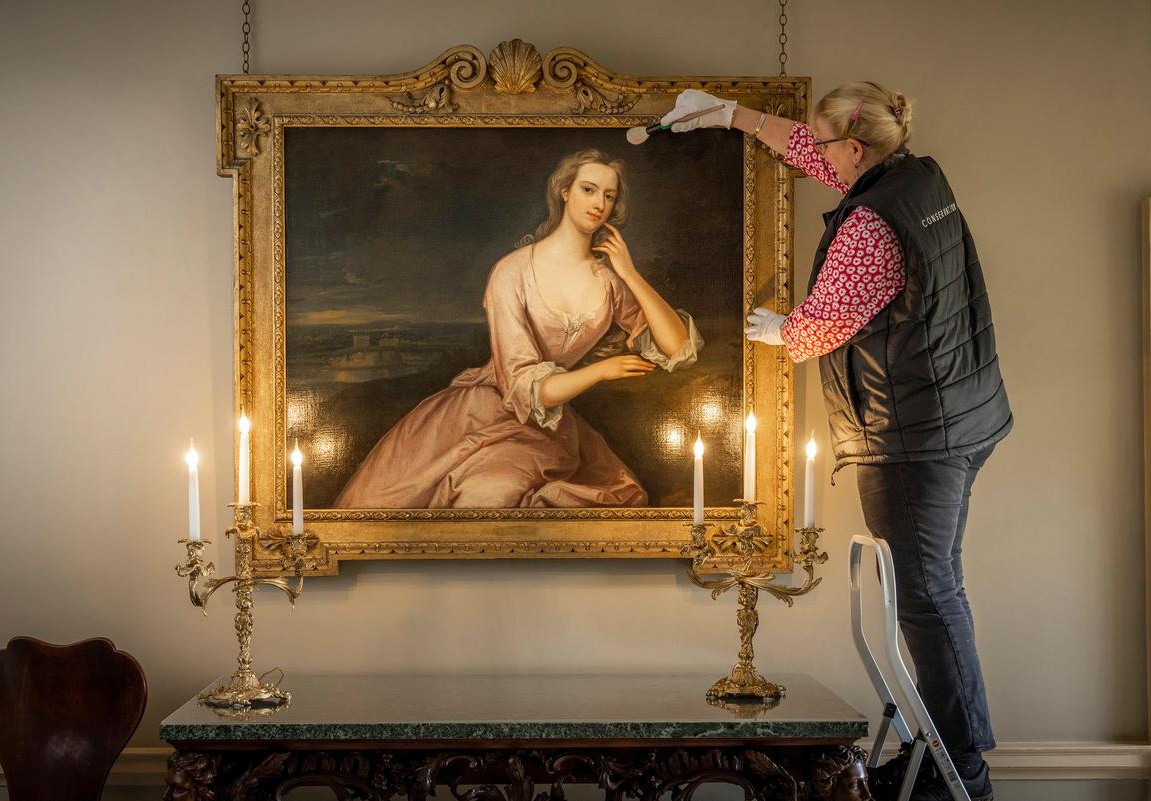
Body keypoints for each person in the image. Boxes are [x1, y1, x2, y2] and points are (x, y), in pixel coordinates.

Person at [663, 84, 1012, 801]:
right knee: (939, 587)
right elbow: (812, 152)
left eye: (826, 146)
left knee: (924, 596)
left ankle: (960, 772)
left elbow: (818, 328)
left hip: (913, 438)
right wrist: (732, 115)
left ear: (854, 147)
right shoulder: (915, 177)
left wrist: (777, 330)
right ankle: (949, 756)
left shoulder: (871, 228)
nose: (816, 157)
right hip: (963, 416)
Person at [334, 149, 704, 509]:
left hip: (547, 425)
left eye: (609, 196)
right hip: (482, 412)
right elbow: (521, 384)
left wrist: (629, 273)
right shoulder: (511, 271)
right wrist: (599, 371)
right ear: (564, 191)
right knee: (478, 495)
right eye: (588, 190)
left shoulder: (610, 280)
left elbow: (679, 348)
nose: (599, 204)